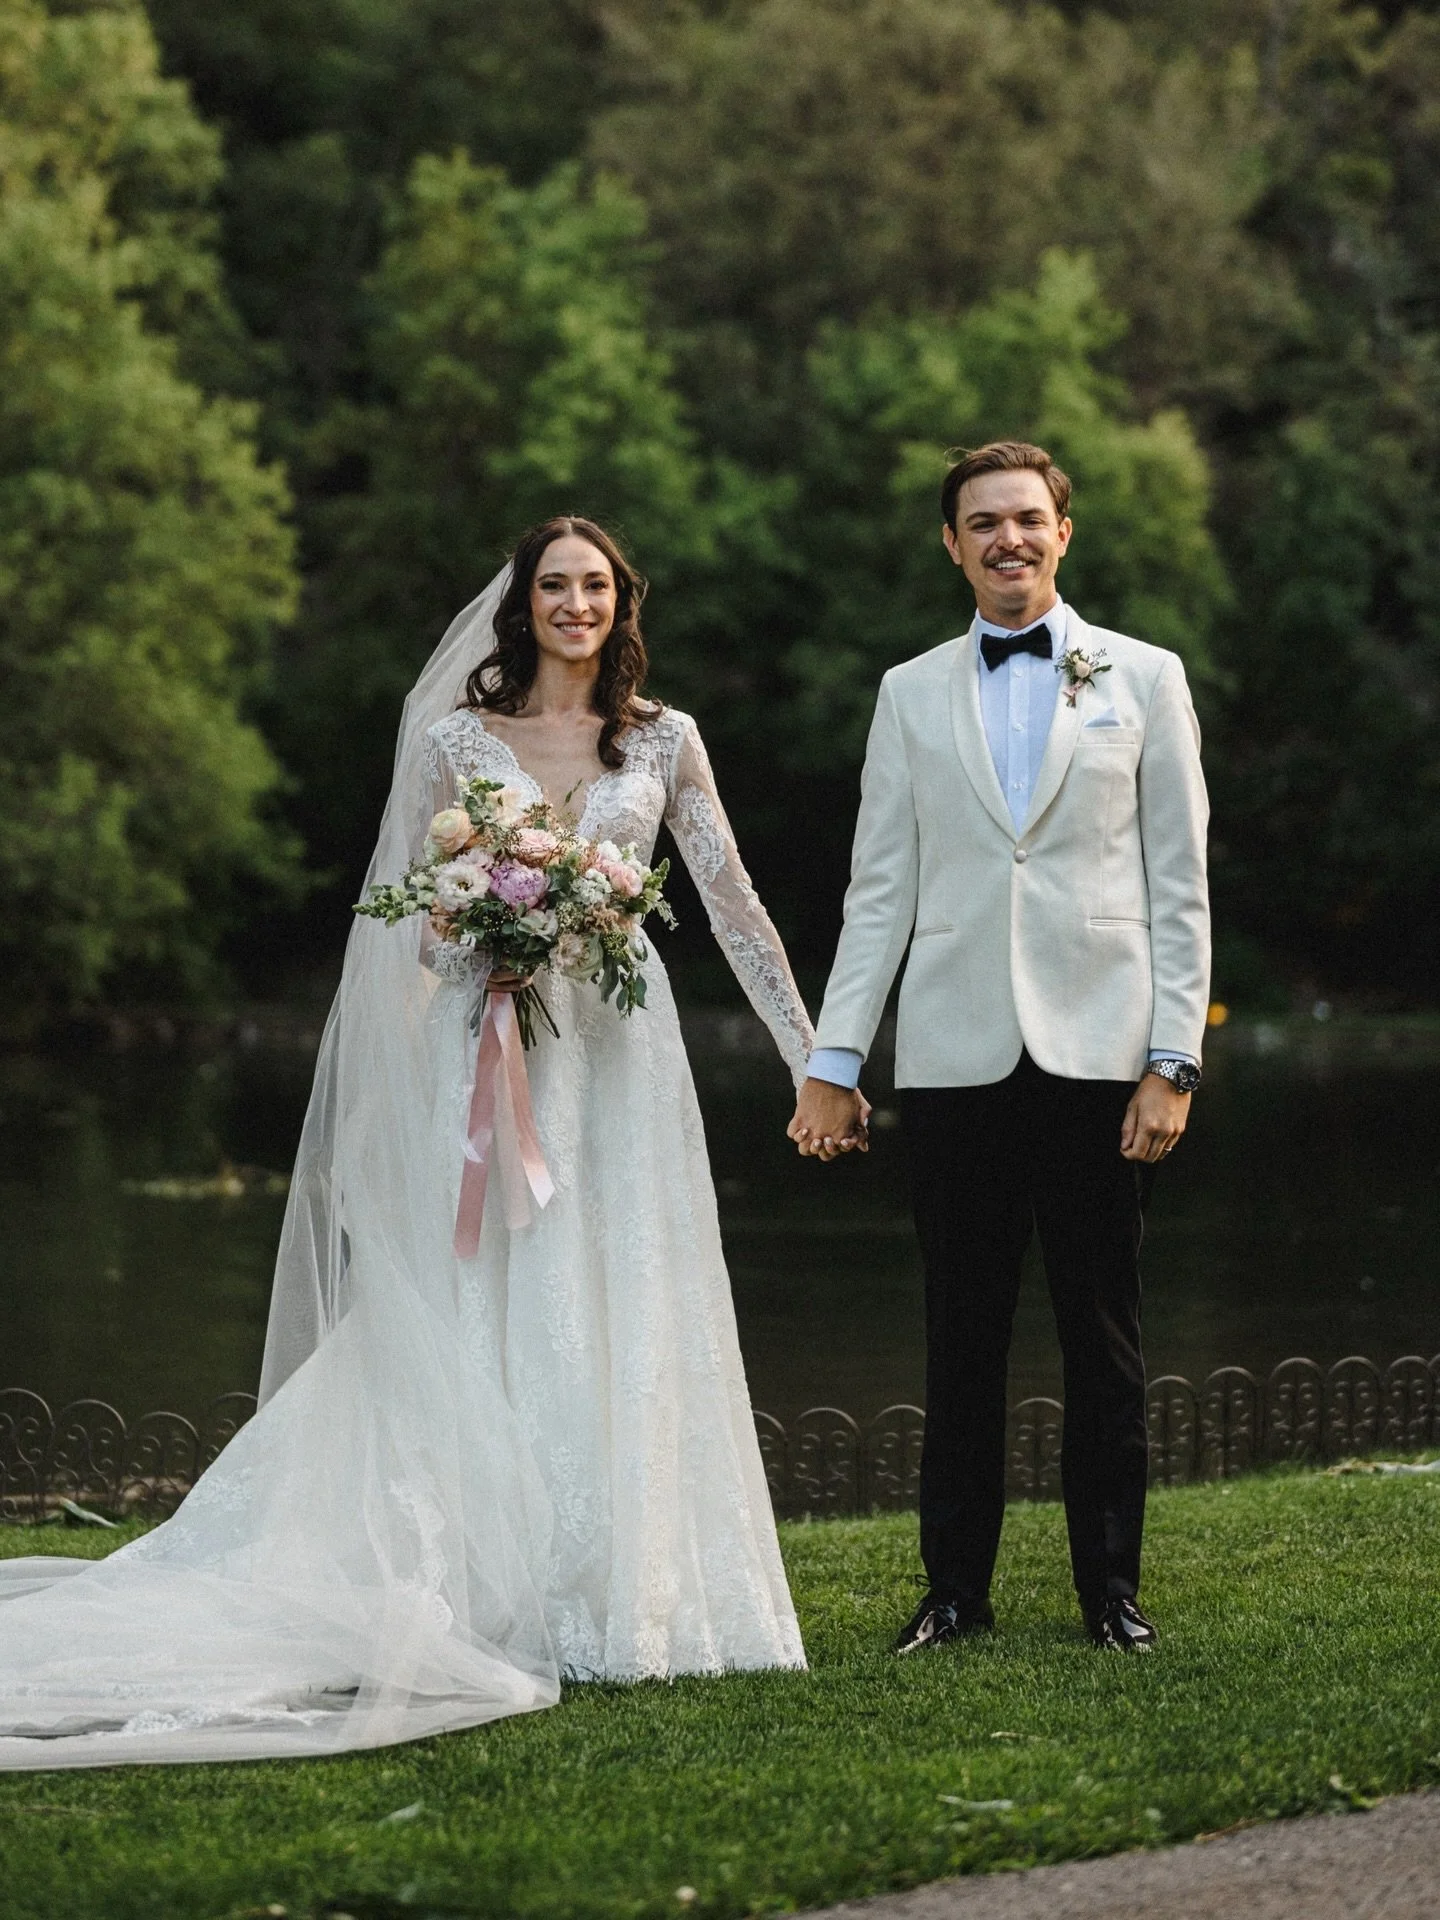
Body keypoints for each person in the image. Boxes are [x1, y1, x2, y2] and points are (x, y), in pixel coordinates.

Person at [0, 516, 808, 1770]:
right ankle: (478, 1583)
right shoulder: (453, 741)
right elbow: (410, 930)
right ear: (523, 605)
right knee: (472, 1294)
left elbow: (734, 903)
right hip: (476, 1064)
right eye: (555, 586)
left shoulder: (666, 741)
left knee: (624, 1293)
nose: (576, 604)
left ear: (621, 602)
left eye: (595, 586)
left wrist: (819, 1059)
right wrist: (480, 938)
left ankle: (625, 1594)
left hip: (615, 1065)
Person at [789, 443, 1209, 1654]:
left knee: (1105, 1338)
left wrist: (1172, 1059)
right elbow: (880, 894)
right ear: (952, 543)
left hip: (1101, 1058)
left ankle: (1110, 1595)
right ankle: (955, 1595)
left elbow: (1178, 886)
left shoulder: (1146, 677)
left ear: (1063, 533)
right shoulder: (908, 692)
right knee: (960, 1339)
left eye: (1028, 519)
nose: (1007, 539)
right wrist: (837, 1058)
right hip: (958, 1058)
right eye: (984, 523)